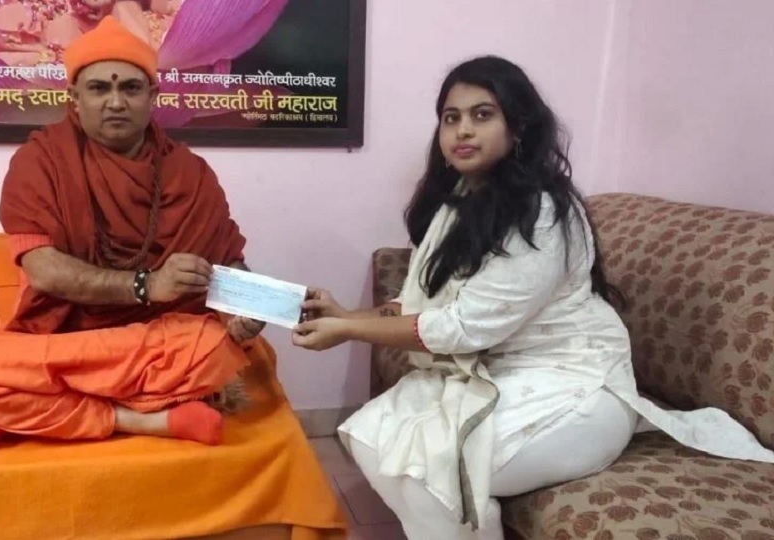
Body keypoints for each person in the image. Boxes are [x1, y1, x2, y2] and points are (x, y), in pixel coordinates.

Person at [292, 55, 774, 540]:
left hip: (575, 391)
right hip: (495, 375)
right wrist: (345, 315)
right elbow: (420, 304)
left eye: (483, 114)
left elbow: (463, 326)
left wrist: (348, 330)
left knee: (425, 472)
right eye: (451, 118)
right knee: (369, 438)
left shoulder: (542, 212)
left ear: (519, 127)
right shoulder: (458, 201)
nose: (463, 130)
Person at [0, 16, 346, 540]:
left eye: (130, 88)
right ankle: (143, 418)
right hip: (70, 343)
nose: (115, 102)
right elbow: (44, 270)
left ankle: (76, 407)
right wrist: (146, 285)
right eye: (98, 88)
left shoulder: (191, 174)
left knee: (212, 349)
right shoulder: (39, 163)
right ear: (74, 98)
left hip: (163, 347)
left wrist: (244, 313)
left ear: (153, 96)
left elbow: (228, 265)